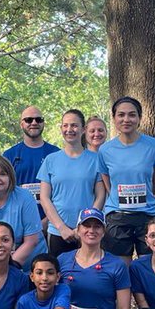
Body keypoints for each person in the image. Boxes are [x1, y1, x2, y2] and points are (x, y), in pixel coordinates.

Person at [98, 97, 155, 261]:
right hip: (118, 216)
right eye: (121, 115)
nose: (126, 119)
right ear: (114, 118)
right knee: (121, 271)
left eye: (132, 115)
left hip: (147, 215)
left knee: (149, 270)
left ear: (140, 118)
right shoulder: (105, 150)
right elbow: (108, 182)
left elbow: (153, 180)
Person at [39, 109, 107, 256]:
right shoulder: (50, 160)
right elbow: (44, 198)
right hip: (58, 232)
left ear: (83, 129)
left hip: (88, 231)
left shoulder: (95, 160)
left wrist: (84, 225)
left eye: (74, 126)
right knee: (58, 275)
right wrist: (61, 227)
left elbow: (100, 196)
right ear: (61, 128)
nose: (69, 129)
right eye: (65, 125)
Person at [3, 105, 60, 220]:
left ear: (43, 123)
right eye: (29, 120)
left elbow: (63, 192)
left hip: (52, 222)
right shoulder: (9, 155)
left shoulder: (56, 154)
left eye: (38, 120)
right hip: (17, 220)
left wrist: (47, 221)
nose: (34, 123)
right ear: (21, 124)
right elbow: (3, 192)